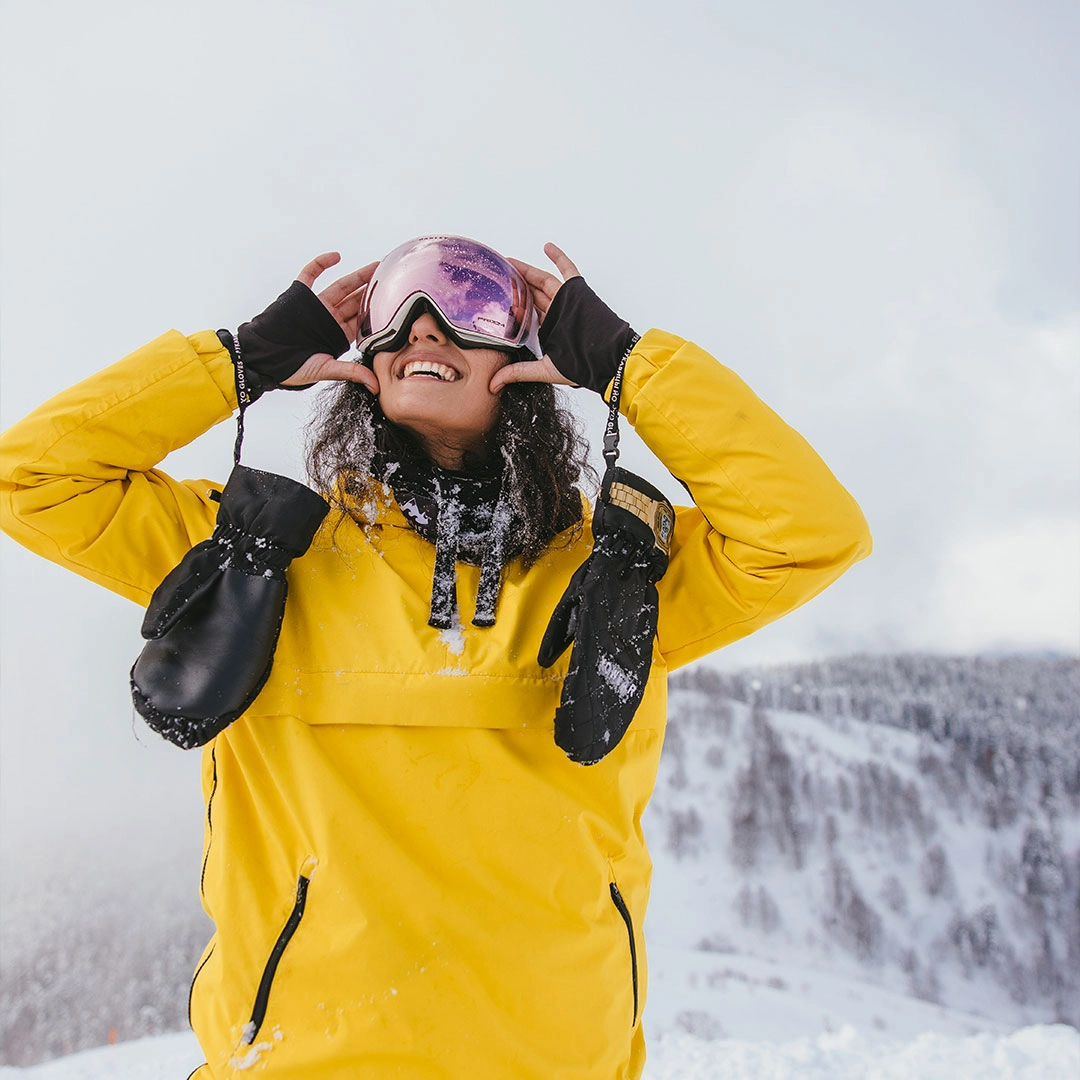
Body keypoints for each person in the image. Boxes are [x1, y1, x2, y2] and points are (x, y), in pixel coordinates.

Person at [0, 236, 871, 1079]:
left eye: (472, 304)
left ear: (529, 358)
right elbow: (31, 475)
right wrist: (240, 361)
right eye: (399, 305)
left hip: (554, 1065)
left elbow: (810, 533)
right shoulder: (254, 559)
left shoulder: (617, 577)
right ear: (364, 353)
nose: (426, 326)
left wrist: (629, 367)